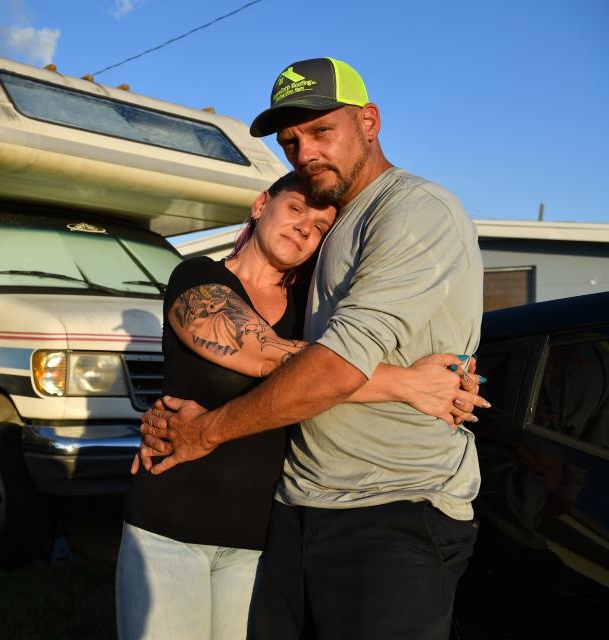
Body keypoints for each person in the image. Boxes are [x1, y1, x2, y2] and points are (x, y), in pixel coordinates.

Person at [139, 57, 485, 640]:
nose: (305, 152)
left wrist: (206, 430)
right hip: (296, 508)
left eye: (322, 131)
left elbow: (336, 366)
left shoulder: (413, 210)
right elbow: (271, 352)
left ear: (369, 122)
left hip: (392, 510)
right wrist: (406, 380)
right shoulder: (323, 238)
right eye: (291, 141)